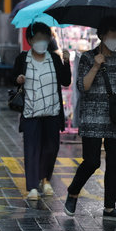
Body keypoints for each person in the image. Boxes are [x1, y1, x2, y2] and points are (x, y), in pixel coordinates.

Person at [64, 17, 116, 221]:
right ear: (102, 35)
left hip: (114, 118)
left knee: (114, 162)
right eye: (112, 34)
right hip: (92, 118)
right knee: (92, 161)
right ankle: (73, 191)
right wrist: (95, 66)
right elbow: (82, 87)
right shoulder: (87, 57)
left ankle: (110, 208)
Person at [12, 23, 71, 201]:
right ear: (30, 40)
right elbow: (13, 79)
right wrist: (18, 79)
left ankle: (45, 179)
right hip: (31, 112)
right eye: (38, 38)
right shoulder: (23, 59)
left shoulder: (53, 58)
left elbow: (66, 81)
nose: (42, 42)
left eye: (45, 38)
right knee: (31, 149)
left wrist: (66, 62)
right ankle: (32, 187)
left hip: (52, 111)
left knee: (51, 148)